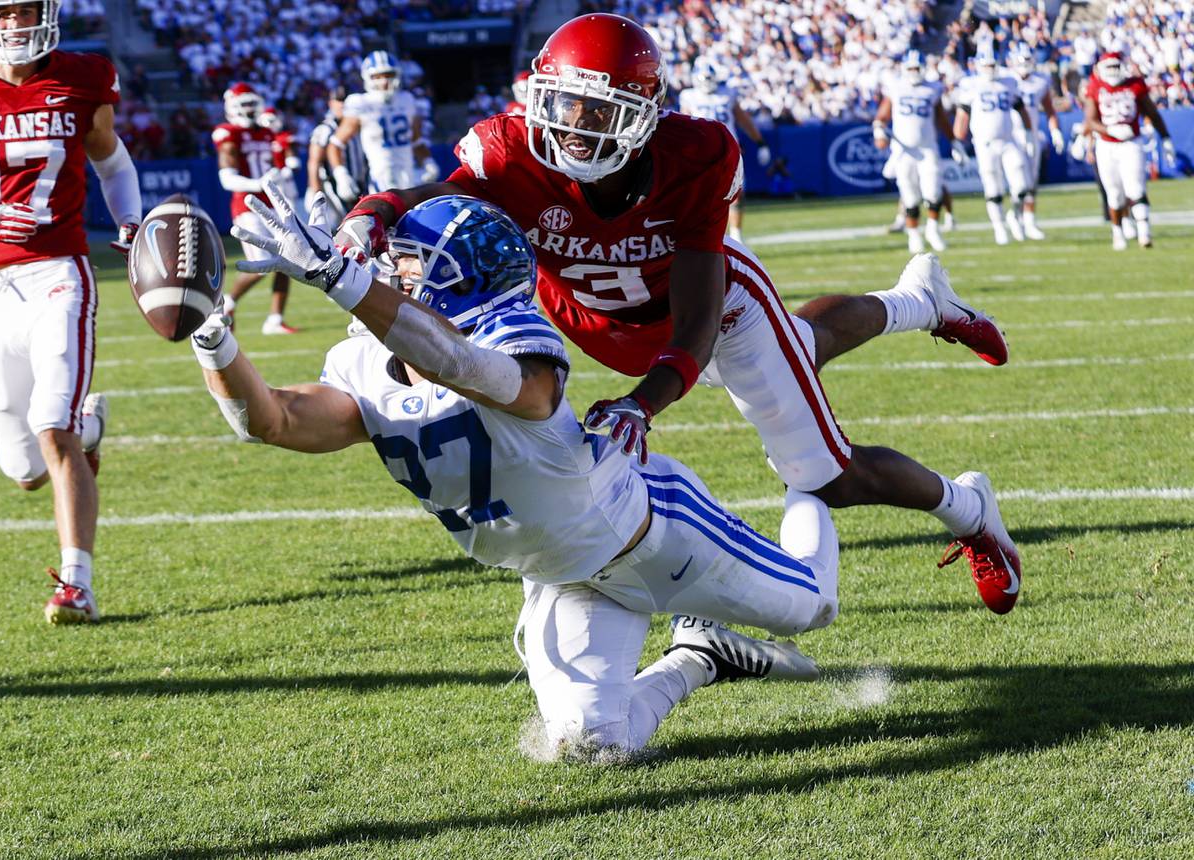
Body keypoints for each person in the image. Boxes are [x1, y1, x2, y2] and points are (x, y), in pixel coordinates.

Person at [335, 14, 1025, 616]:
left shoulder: (694, 154)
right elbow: (446, 196)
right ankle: (921, 301)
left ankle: (970, 512)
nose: (573, 128)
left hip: (718, 311)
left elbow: (694, 321)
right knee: (803, 344)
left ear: (641, 112)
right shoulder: (510, 148)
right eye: (563, 104)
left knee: (825, 476)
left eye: (596, 111)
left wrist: (643, 404)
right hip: (592, 321)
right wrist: (374, 213)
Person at [208, 186, 830, 759]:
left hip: (657, 536)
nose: (390, 272)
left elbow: (464, 364)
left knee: (813, 606)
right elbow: (274, 422)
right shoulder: (364, 365)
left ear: (461, 279)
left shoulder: (517, 336)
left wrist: (343, 280)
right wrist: (212, 337)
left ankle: (809, 478)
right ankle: (698, 655)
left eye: (410, 263)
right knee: (591, 745)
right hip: (562, 577)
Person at [0, 0, 142, 624]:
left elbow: (111, 160)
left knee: (51, 427)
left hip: (57, 274)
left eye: (26, 9)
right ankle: (89, 429)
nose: (16, 23)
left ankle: (77, 585)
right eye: (3, 12)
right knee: (22, 468)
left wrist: (129, 219)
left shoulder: (81, 77)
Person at [213, 82, 299, 335]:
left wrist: (280, 174)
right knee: (261, 264)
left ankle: (274, 319)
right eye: (244, 104)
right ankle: (226, 303)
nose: (250, 109)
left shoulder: (267, 132)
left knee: (288, 260)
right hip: (248, 206)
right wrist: (258, 183)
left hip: (273, 205)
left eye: (253, 103)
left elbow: (278, 164)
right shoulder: (229, 134)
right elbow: (227, 179)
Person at [1083, 51, 1177, 250]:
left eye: (1116, 67)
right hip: (1106, 144)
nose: (1113, 72)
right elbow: (1090, 121)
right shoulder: (1095, 87)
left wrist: (1166, 138)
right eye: (1109, 67)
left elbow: (1152, 112)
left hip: (1131, 142)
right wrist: (1109, 130)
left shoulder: (1135, 84)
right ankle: (1118, 233)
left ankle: (1145, 233)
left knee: (1136, 187)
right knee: (1115, 194)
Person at [677, 56, 771, 243]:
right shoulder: (688, 96)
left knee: (736, 194)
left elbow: (743, 119)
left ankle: (736, 237)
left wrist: (760, 142)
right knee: (702, 197)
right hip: (701, 155)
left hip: (729, 151)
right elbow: (683, 124)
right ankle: (703, 237)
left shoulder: (727, 94)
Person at [872, 51, 957, 253]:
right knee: (909, 196)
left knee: (933, 191)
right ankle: (914, 236)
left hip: (927, 148)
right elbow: (881, 116)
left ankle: (933, 230)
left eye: (916, 68)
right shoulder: (896, 88)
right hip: (904, 151)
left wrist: (955, 142)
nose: (914, 72)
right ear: (904, 69)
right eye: (910, 68)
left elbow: (941, 118)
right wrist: (879, 131)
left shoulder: (932, 89)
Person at [328, 51, 439, 196]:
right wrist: (341, 175)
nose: (384, 81)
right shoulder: (361, 102)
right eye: (377, 76)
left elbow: (416, 140)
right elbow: (335, 144)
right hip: (378, 177)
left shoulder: (406, 99)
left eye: (388, 75)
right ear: (367, 77)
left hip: (409, 175)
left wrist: (428, 161)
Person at [953, 49, 1035, 246]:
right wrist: (957, 142)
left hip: (1008, 140)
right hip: (984, 144)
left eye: (992, 65)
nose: (990, 69)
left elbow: (1021, 109)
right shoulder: (971, 85)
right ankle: (998, 226)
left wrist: (1029, 133)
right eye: (986, 65)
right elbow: (962, 115)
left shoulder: (1008, 82)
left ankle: (1015, 215)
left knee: (1022, 184)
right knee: (993, 186)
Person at [1009, 43, 1065, 240]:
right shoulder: (1006, 80)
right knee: (1019, 182)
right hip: (1010, 137)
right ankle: (1014, 215)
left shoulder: (1040, 81)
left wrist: (1055, 131)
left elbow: (1049, 109)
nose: (1025, 64)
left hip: (1031, 134)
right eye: (1021, 60)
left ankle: (1029, 220)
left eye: (1027, 60)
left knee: (1032, 180)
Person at [305, 86, 366, 218]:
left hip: (362, 181)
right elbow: (314, 162)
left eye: (345, 100)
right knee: (349, 222)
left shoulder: (358, 125)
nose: (342, 104)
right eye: (339, 100)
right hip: (336, 184)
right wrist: (315, 191)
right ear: (331, 103)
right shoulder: (325, 129)